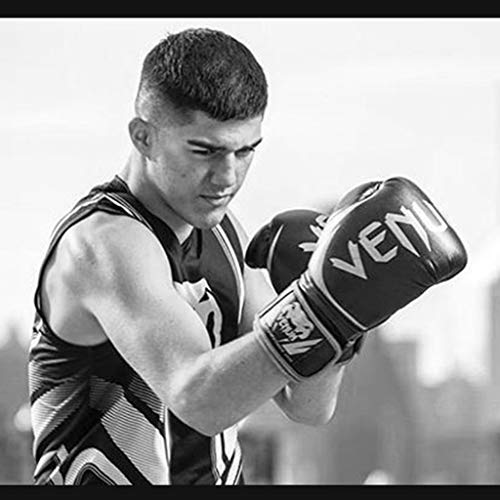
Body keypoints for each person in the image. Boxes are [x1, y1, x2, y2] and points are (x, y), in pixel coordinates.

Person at [28, 27, 467, 486]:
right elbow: (199, 399)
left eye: (245, 151)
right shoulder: (103, 243)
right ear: (144, 137)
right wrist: (318, 308)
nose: (227, 176)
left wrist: (344, 316)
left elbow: (307, 404)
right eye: (205, 150)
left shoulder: (226, 231)